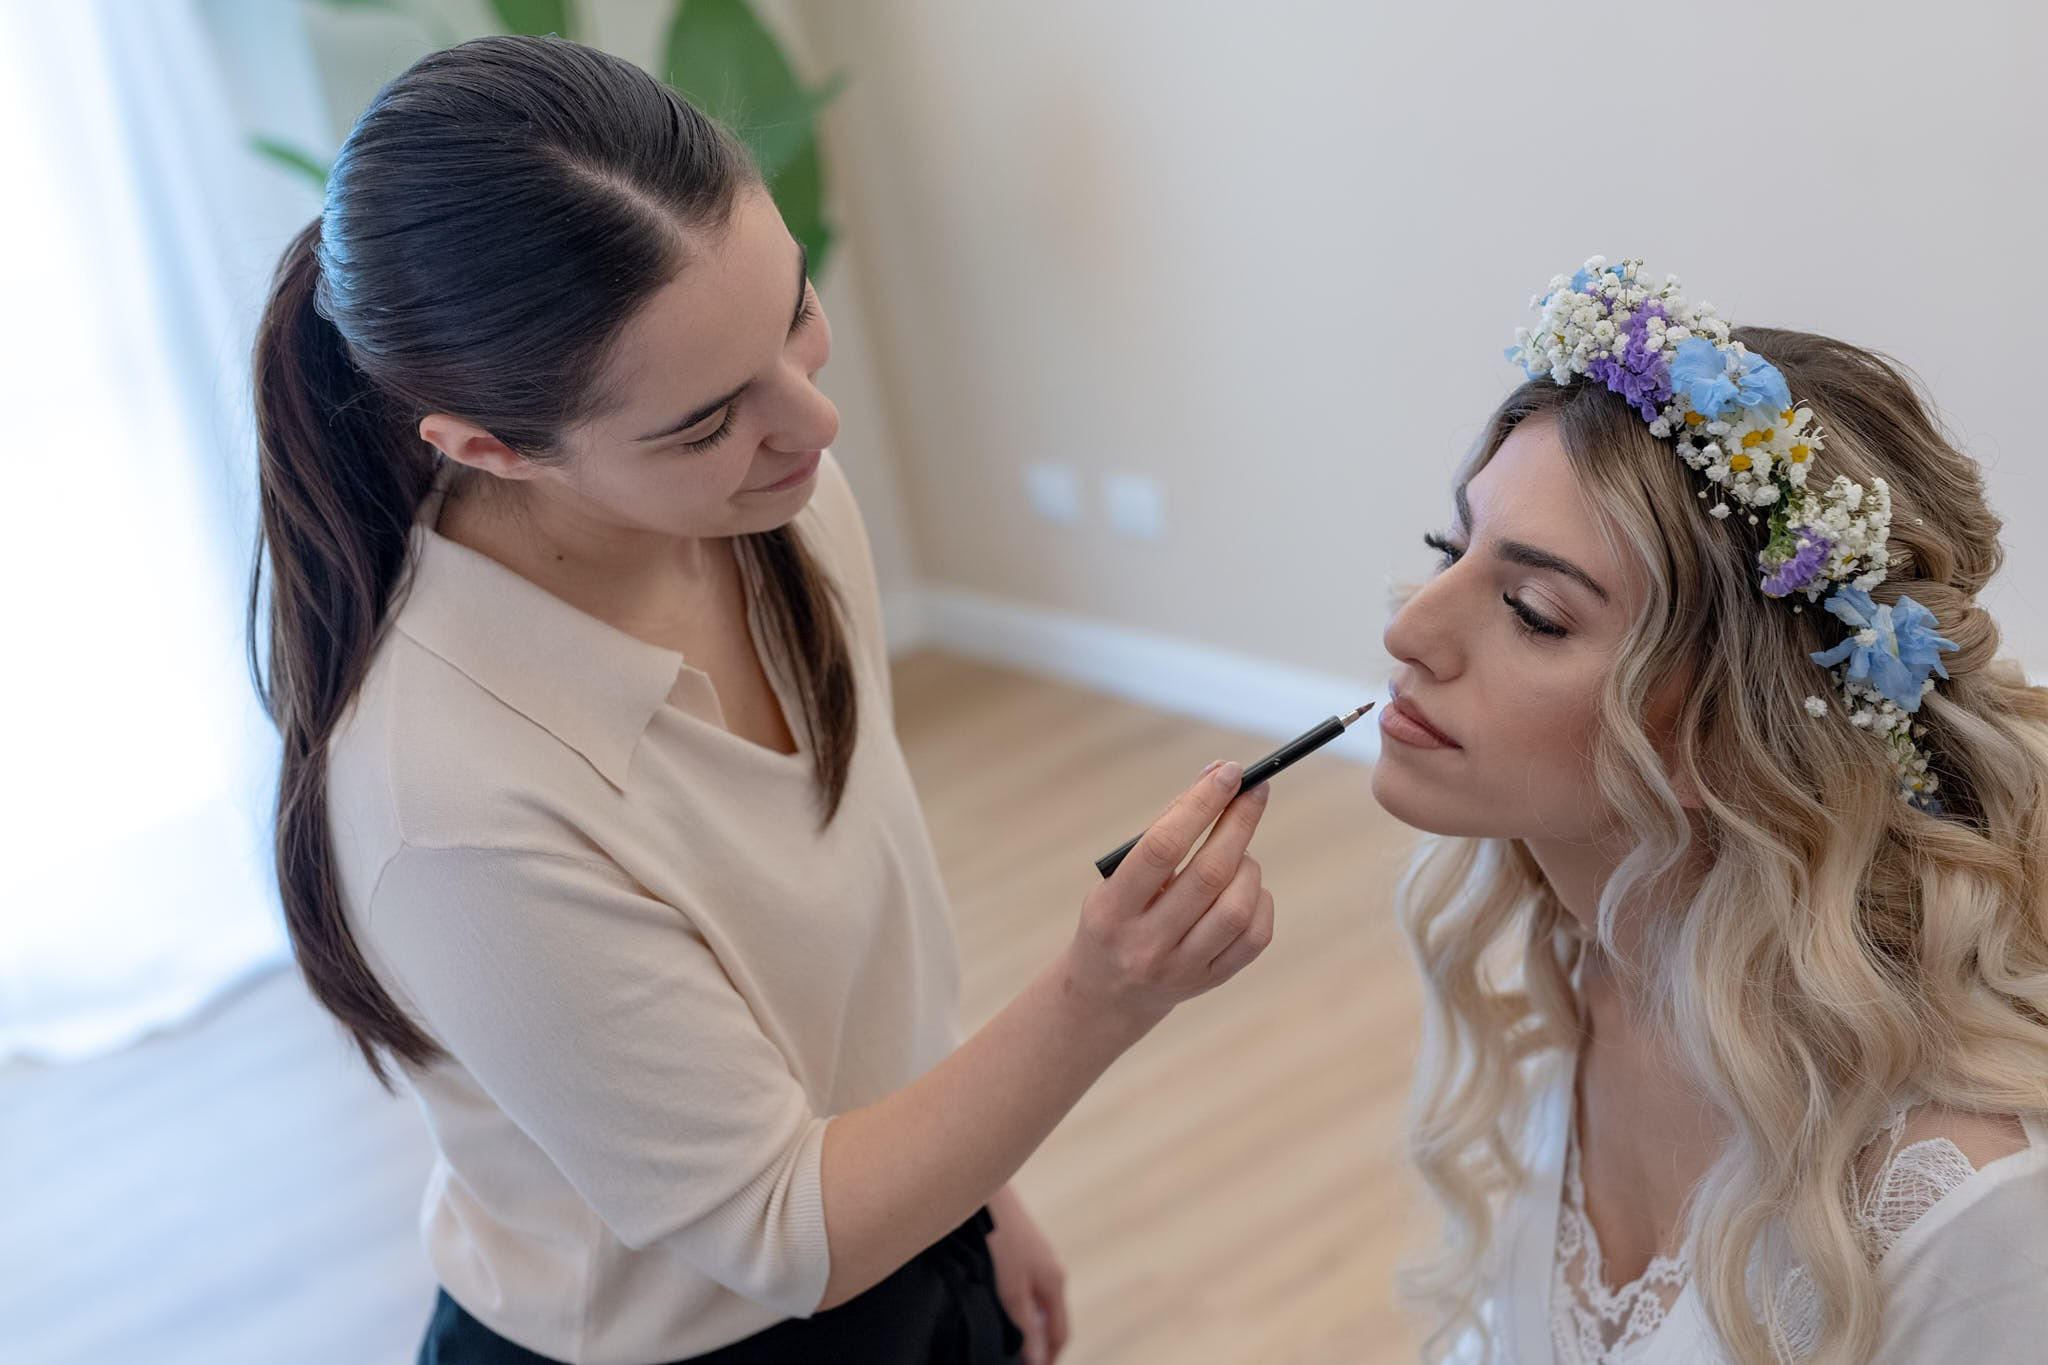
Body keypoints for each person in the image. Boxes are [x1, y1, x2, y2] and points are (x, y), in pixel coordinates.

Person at [248, 35, 1276, 1365]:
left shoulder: (779, 512)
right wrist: (1102, 992)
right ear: (488, 445)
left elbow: (847, 986)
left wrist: (976, 1187)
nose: (813, 425)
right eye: (706, 419)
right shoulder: (450, 803)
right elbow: (779, 1231)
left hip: (895, 1237)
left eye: (794, 310)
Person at [1372, 257, 2048, 1363]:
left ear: (1721, 733)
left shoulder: (1963, 1206)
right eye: (1449, 550)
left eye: (1531, 612)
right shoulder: (1589, 962)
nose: (1410, 629)